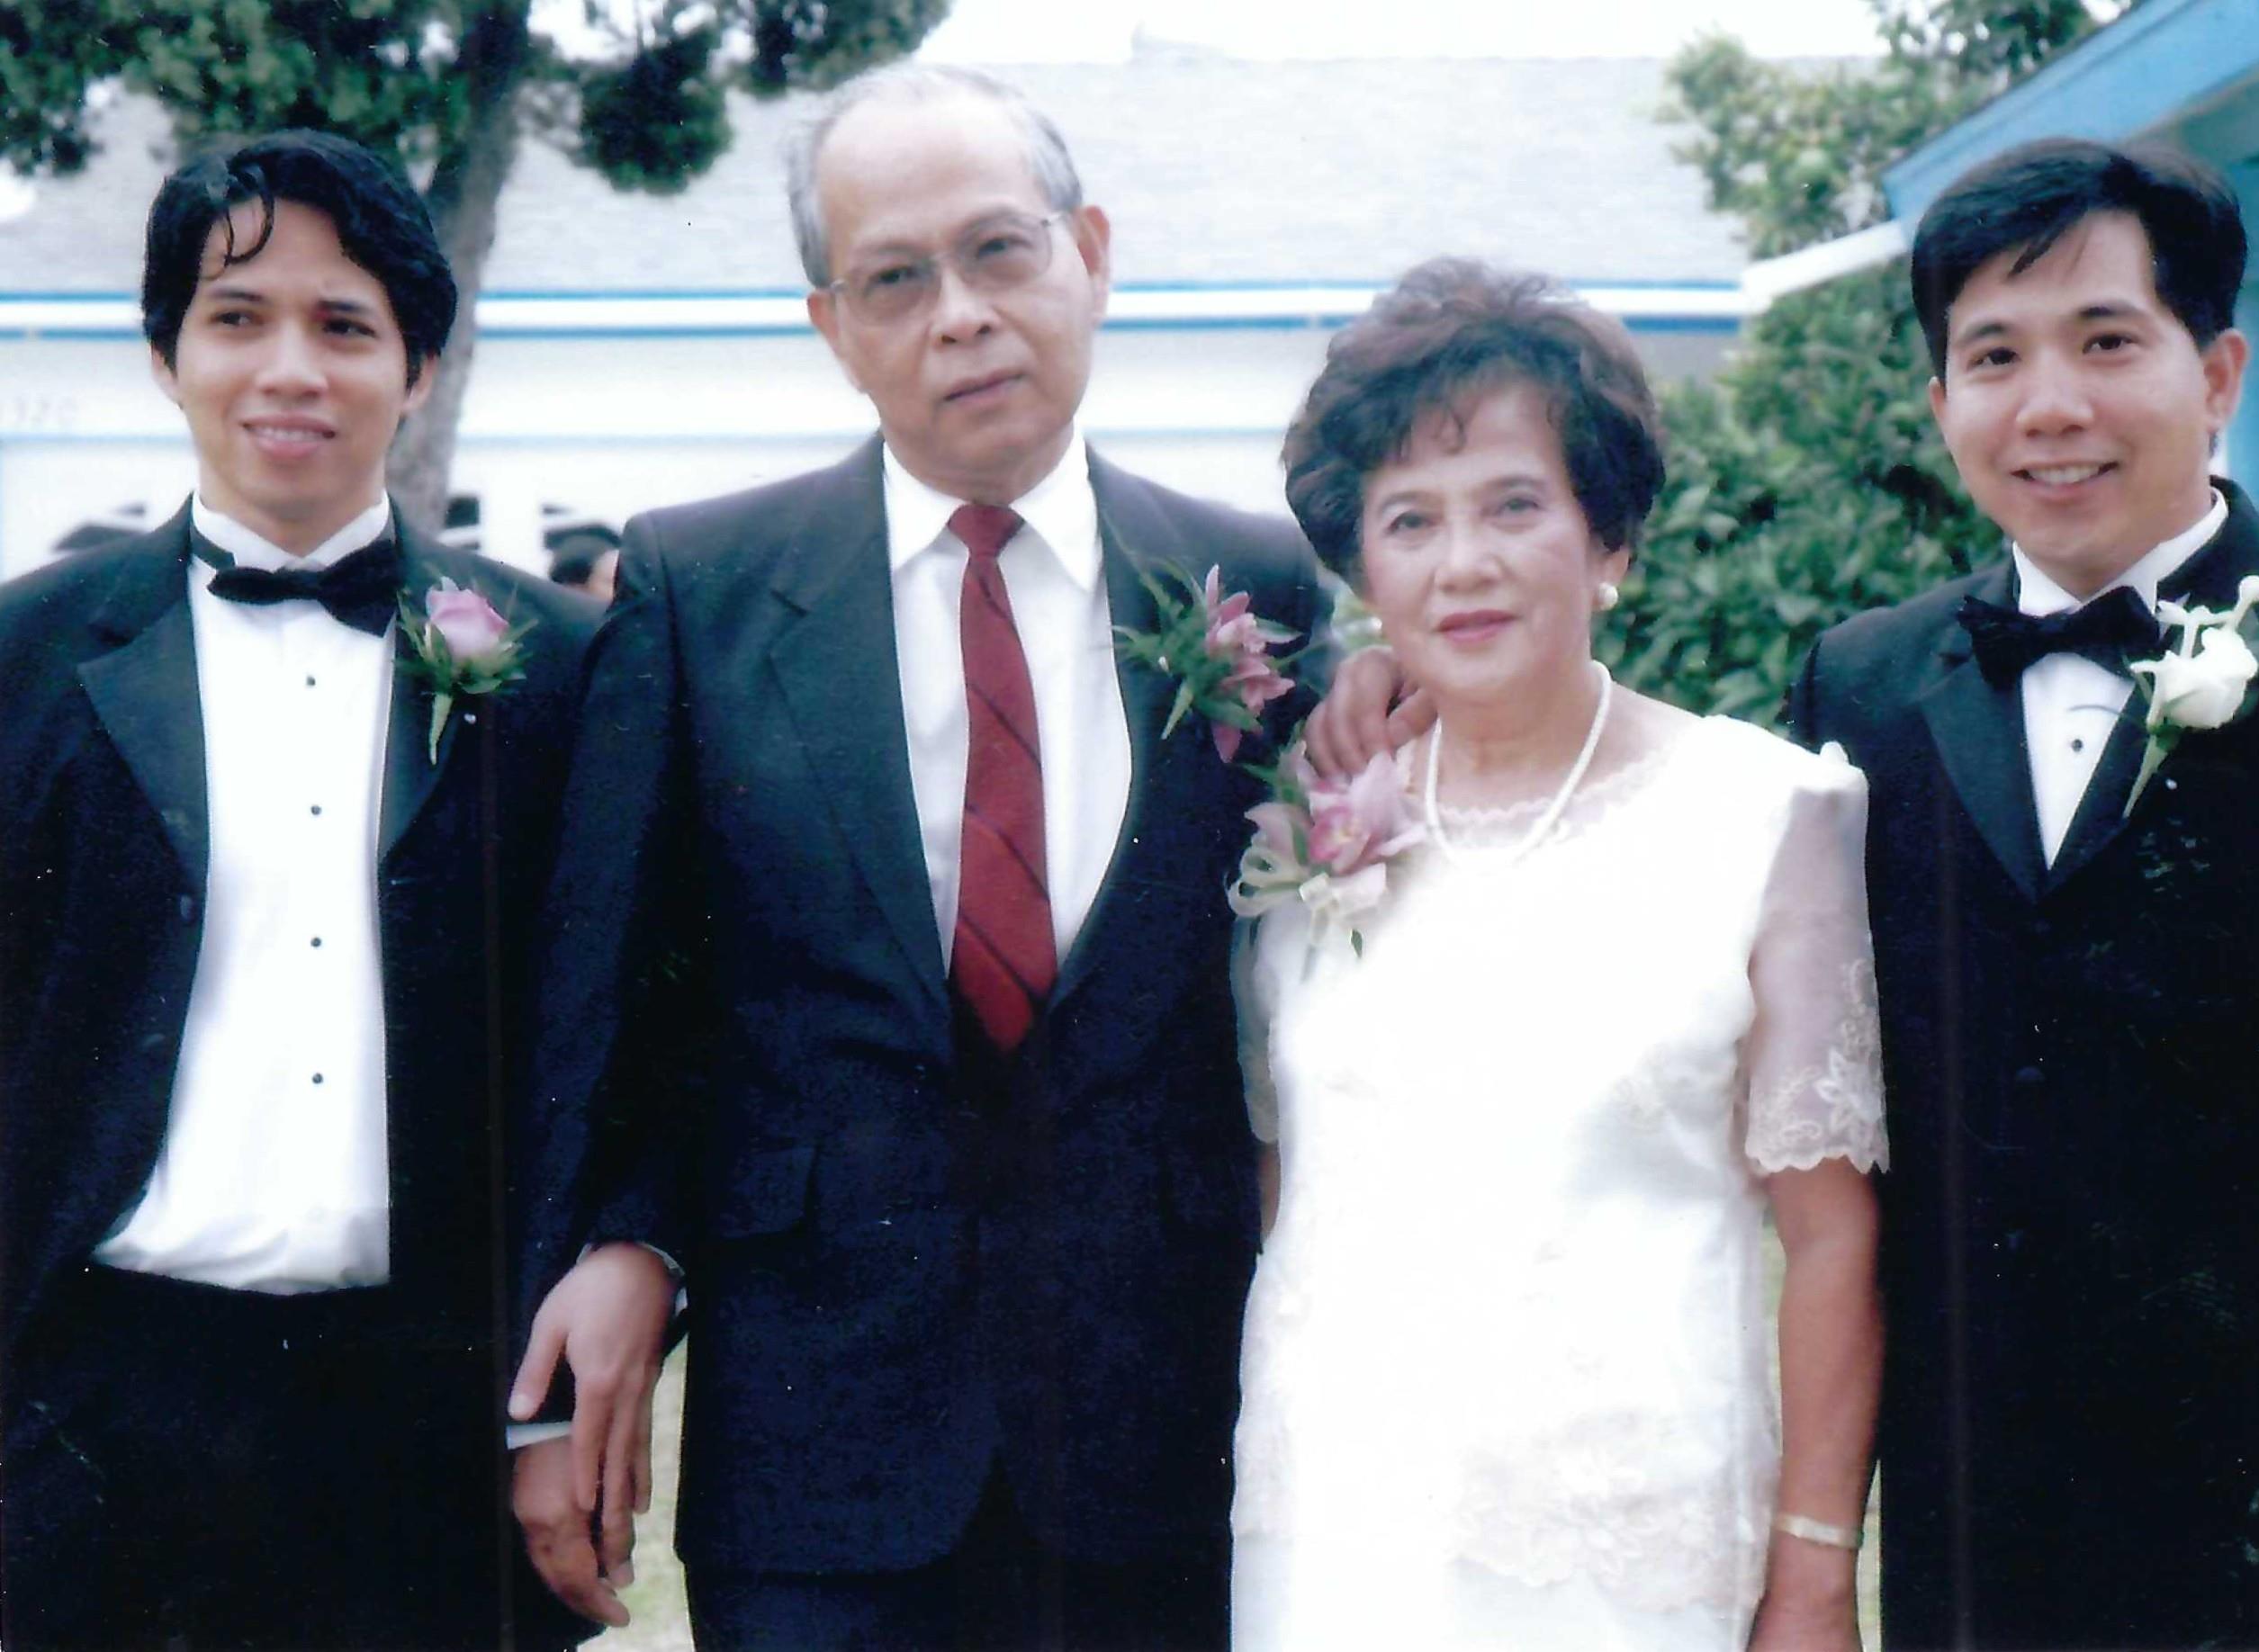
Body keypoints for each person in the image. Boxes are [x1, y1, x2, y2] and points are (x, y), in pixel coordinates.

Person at [508, 63, 1327, 1651]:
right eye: (894, 279)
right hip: (820, 1451)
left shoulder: (1261, 586)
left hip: (1159, 1437)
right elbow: (614, 1008)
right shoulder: (701, 587)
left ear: (1091, 251)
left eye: (1000, 250)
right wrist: (606, 1278)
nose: (961, 317)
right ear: (834, 327)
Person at [1783, 140, 2259, 1648]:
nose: (2048, 405)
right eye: (1993, 356)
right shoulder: (1861, 689)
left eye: (2106, 341)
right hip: (1979, 1549)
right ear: (1940, 403)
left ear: (2216, 373)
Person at [0, 130, 596, 1650]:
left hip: (429, 1422)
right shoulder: (26, 659)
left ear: (418, 365)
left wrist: (549, 1413)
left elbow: (613, 1053)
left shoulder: (566, 674)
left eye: (344, 325)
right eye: (236, 317)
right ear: (165, 354)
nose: (290, 369)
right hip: (89, 1410)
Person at [1238, 258, 1885, 1651]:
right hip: (1334, 1539)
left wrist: (1813, 1573)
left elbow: (1831, 1239)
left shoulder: (1763, 817)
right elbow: (1287, 1184)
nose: (1461, 562)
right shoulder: (1311, 833)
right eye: (1409, 520)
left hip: (1627, 1564)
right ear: (1364, 573)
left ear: (1608, 543)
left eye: (1513, 505)